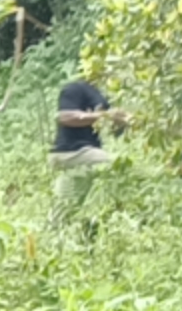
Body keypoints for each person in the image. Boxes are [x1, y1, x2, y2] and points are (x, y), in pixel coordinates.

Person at [50, 71, 128, 212]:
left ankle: (66, 214)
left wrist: (124, 121)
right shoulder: (74, 88)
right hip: (70, 151)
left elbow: (112, 126)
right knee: (115, 164)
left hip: (84, 151)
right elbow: (64, 117)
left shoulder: (100, 95)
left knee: (74, 197)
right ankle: (116, 209)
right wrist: (104, 116)